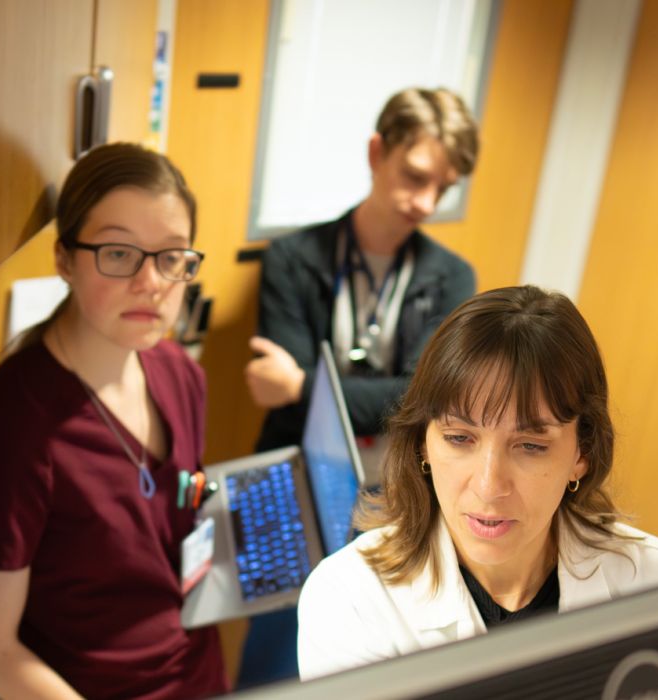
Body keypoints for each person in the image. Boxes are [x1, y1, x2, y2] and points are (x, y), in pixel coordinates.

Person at [297, 286, 658, 679]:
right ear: (422, 442)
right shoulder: (348, 599)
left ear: (583, 454)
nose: (489, 487)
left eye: (529, 445)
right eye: (459, 439)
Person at [0, 143, 222, 698]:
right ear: (64, 260)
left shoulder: (179, 372)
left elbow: (176, 512)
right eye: (120, 254)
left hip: (198, 672)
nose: (151, 282)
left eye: (172, 256)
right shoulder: (15, 422)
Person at [240, 85, 482, 683]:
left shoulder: (453, 278)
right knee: (272, 657)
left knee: (370, 657)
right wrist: (371, 395)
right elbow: (395, 396)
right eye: (414, 175)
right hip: (294, 475)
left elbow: (426, 404)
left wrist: (304, 386)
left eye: (442, 189)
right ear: (376, 152)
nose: (425, 202)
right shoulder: (292, 258)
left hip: (397, 490)